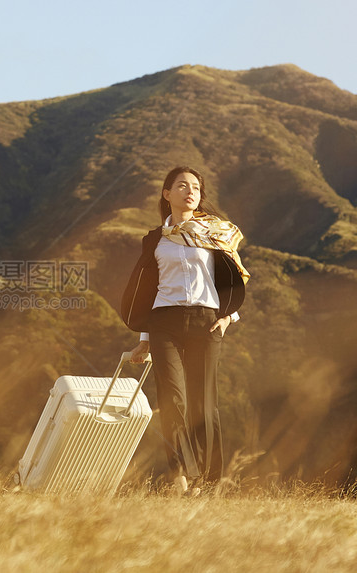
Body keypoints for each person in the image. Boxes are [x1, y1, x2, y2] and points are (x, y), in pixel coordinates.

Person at [120, 166, 249, 495]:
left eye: (195, 187)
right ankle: (179, 473)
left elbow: (234, 279)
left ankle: (208, 480)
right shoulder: (155, 239)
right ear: (167, 194)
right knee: (172, 400)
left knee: (203, 404)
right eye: (181, 186)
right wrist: (144, 339)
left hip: (206, 323)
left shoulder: (214, 234)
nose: (190, 191)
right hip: (164, 323)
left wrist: (228, 317)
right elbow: (147, 290)